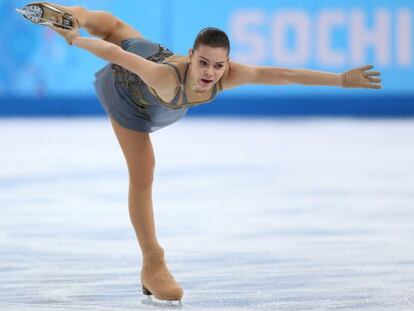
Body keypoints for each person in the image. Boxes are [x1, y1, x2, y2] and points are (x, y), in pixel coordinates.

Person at [19, 2, 382, 303]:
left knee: (115, 27)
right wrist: (75, 40)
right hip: (128, 91)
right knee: (143, 169)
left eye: (218, 65)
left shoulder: (228, 75)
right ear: (191, 56)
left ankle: (71, 15)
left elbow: (283, 74)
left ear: (227, 64)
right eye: (203, 62)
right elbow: (116, 55)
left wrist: (340, 79)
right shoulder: (167, 78)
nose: (210, 72)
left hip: (143, 59)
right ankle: (153, 262)